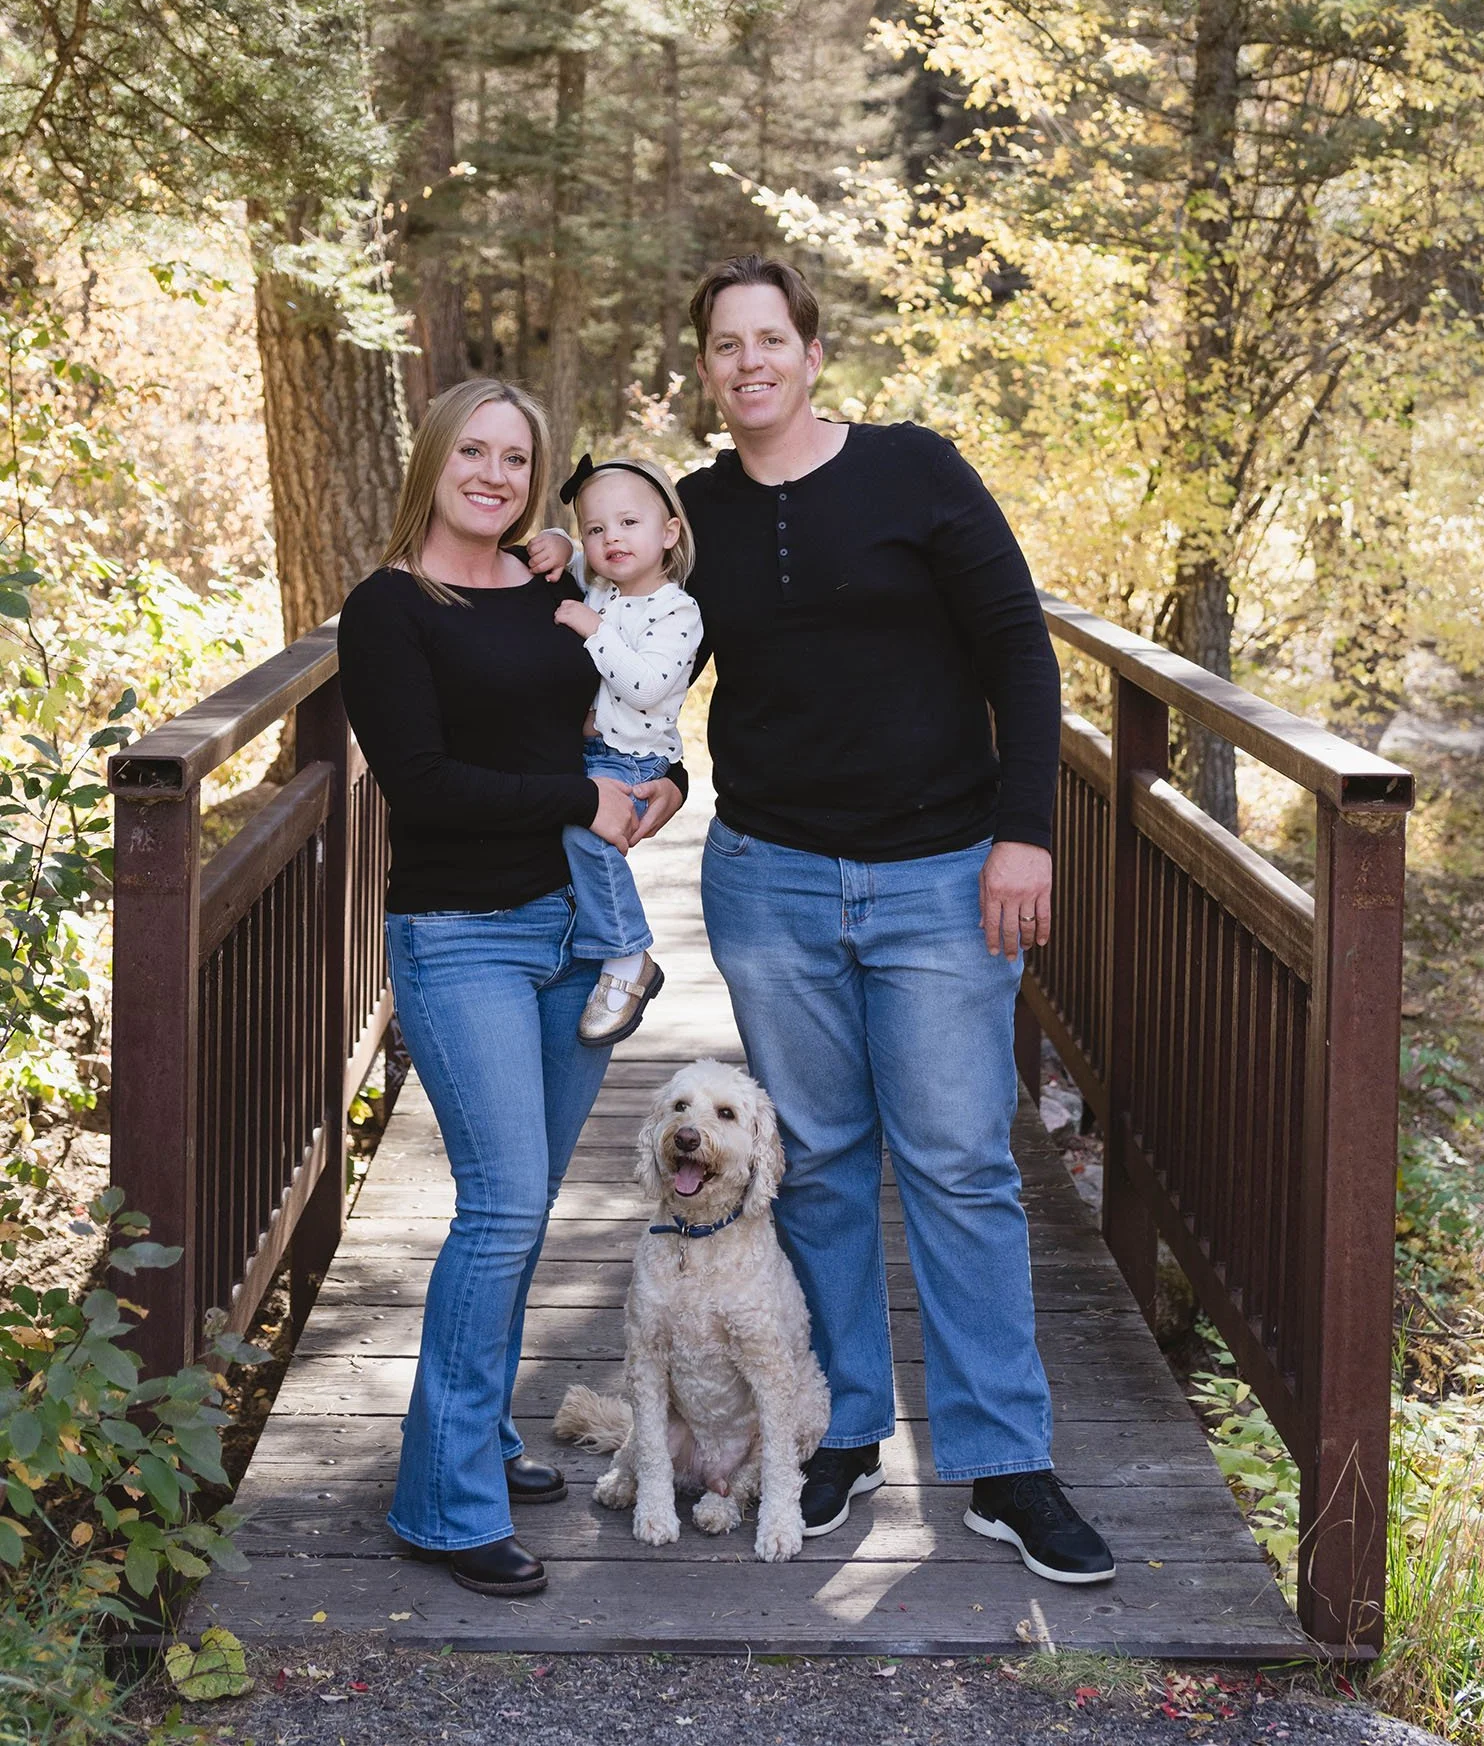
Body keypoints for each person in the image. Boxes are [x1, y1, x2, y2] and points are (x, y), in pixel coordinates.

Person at [675, 253, 1116, 1586]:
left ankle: (1005, 1460)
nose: (749, 362)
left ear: (812, 352)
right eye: (724, 346)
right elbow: (633, 652)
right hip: (771, 881)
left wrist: (1024, 830)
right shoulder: (695, 514)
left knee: (961, 1165)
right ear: (707, 370)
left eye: (771, 339)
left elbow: (1020, 656)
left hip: (939, 877)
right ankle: (843, 1427)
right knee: (812, 1165)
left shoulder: (918, 469)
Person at [337, 379, 685, 1599]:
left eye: (515, 457)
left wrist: (656, 798)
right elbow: (423, 784)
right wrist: (575, 802)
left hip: (576, 933)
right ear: (433, 459)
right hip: (461, 932)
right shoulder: (387, 609)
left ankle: (476, 1437)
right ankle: (440, 1504)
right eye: (473, 451)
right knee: (498, 1207)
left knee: (524, 1207)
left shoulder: (556, 587)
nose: (492, 472)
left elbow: (628, 719)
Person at [547, 454, 703, 1046]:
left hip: (634, 761)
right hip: (592, 754)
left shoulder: (676, 611)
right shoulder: (602, 588)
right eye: (595, 528)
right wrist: (560, 542)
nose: (611, 537)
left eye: (629, 523)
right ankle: (580, 953)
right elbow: (569, 554)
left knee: (586, 837)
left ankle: (626, 954)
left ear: (668, 534)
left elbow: (647, 686)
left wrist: (593, 628)